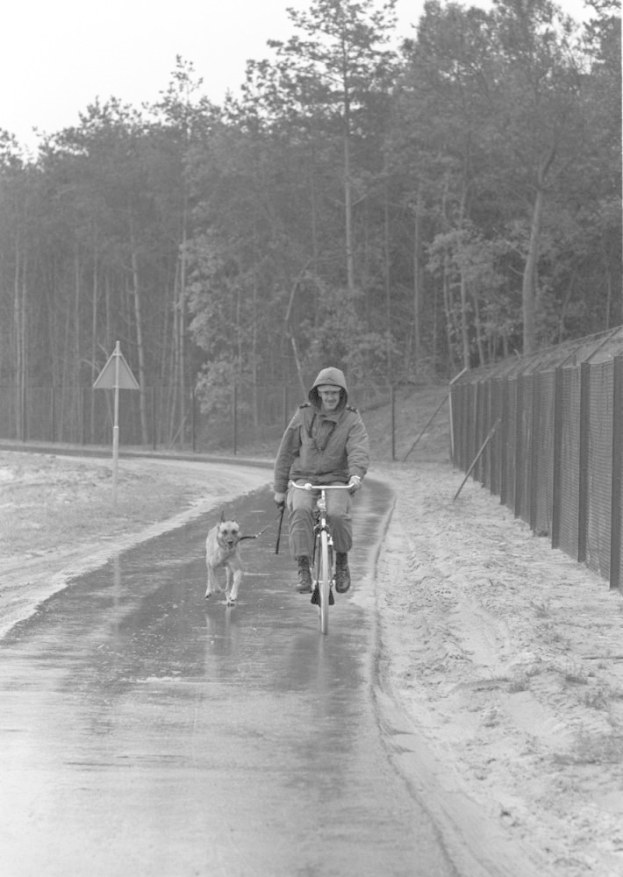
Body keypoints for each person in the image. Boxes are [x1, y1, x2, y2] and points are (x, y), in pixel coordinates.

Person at [273, 366, 370, 595]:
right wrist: (279, 488)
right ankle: (304, 567)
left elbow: (358, 449)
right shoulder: (303, 415)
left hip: (337, 479)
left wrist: (355, 474)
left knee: (337, 513)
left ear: (342, 394)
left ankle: (342, 562)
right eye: (325, 392)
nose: (330, 397)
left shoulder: (352, 420)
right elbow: (286, 451)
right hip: (303, 478)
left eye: (335, 393)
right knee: (301, 510)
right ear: (317, 393)